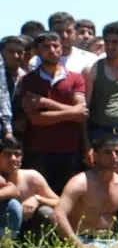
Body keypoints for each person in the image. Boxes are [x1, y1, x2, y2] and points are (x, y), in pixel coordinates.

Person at [20, 32, 88, 194]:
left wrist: (45, 102)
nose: (52, 50)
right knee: (41, 196)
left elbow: (82, 114)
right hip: (38, 150)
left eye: (55, 46)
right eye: (46, 47)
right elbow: (36, 119)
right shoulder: (27, 81)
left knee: (69, 196)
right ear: (37, 51)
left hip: (70, 149)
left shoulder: (76, 78)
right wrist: (72, 112)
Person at [1, 138, 58, 241]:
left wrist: (38, 199)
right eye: (7, 154)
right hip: (4, 230)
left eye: (17, 154)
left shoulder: (32, 177)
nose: (13, 158)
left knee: (46, 212)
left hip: (29, 232)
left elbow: (60, 202)